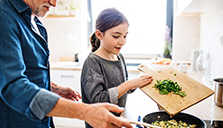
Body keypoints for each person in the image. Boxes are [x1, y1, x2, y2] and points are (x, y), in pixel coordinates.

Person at [0, 0, 133, 128]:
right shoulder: (4, 17)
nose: (54, 3)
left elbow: (28, 74)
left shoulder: (35, 22)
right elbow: (14, 86)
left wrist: (53, 88)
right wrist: (84, 111)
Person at [81, 8, 153, 128]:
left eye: (125, 36)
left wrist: (137, 83)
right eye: (116, 36)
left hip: (117, 121)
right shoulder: (92, 62)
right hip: (99, 124)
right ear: (99, 34)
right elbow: (98, 100)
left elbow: (123, 88)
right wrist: (129, 84)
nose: (122, 41)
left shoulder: (119, 58)